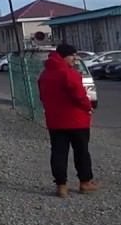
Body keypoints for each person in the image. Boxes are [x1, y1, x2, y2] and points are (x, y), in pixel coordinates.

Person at [38, 43, 97, 197]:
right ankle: (85, 182)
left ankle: (61, 185)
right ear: (63, 56)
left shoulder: (45, 74)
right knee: (81, 151)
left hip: (55, 121)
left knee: (58, 152)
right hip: (76, 120)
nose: (75, 58)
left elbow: (42, 96)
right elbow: (79, 96)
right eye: (72, 55)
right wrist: (88, 107)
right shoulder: (69, 73)